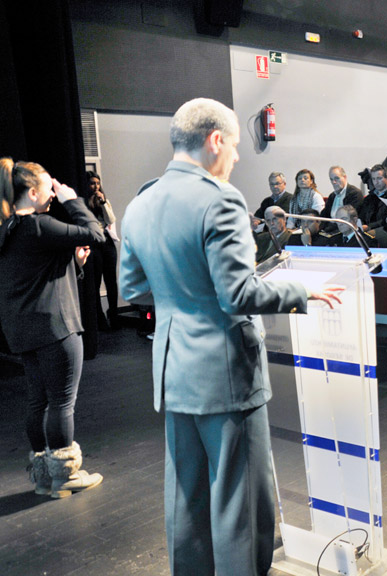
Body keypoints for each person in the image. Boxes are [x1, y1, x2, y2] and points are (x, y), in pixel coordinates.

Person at [118, 98, 342, 575]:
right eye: (236, 146)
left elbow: (133, 288)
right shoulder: (219, 199)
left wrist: (184, 291)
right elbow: (238, 293)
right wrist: (303, 290)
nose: (237, 157)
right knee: (240, 508)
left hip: (174, 370)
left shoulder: (141, 201)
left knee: (187, 501)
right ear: (215, 140)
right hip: (225, 373)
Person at [0, 158, 106, 498]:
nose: (52, 194)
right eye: (48, 188)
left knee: (38, 402)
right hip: (55, 329)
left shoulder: (8, 230)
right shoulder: (38, 226)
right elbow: (96, 232)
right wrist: (73, 200)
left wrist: (74, 264)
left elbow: (36, 276)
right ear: (32, 192)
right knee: (62, 403)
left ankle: (45, 476)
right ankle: (65, 475)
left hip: (23, 330)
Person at [85, 171, 120, 328]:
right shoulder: (84, 203)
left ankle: (114, 314)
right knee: (96, 282)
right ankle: (99, 317)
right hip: (94, 244)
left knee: (111, 280)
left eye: (98, 183)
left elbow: (111, 220)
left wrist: (104, 202)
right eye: (92, 183)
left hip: (107, 243)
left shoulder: (104, 200)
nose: (95, 186)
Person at [358, 164, 387, 247]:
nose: (376, 182)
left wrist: (368, 227)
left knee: (366, 237)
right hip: (368, 230)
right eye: (374, 179)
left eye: (379, 178)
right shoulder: (369, 197)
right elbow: (361, 215)